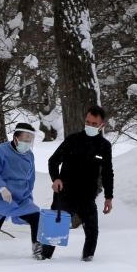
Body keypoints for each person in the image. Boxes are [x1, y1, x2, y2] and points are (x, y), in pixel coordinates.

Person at [42, 105, 114, 261]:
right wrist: (56, 178)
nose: (90, 126)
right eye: (88, 122)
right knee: (53, 233)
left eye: (94, 124)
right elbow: (53, 161)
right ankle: (42, 260)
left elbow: (108, 172)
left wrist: (109, 197)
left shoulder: (104, 147)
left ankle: (87, 264)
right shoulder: (72, 140)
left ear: (102, 125)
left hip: (87, 198)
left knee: (92, 233)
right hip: (64, 195)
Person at [0, 122, 44, 259]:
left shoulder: (29, 155)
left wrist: (28, 196)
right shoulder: (0, 151)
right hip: (0, 198)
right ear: (15, 138)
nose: (27, 143)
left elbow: (30, 179)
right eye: (25, 140)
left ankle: (38, 251)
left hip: (20, 199)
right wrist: (2, 188)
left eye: (29, 141)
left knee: (37, 217)